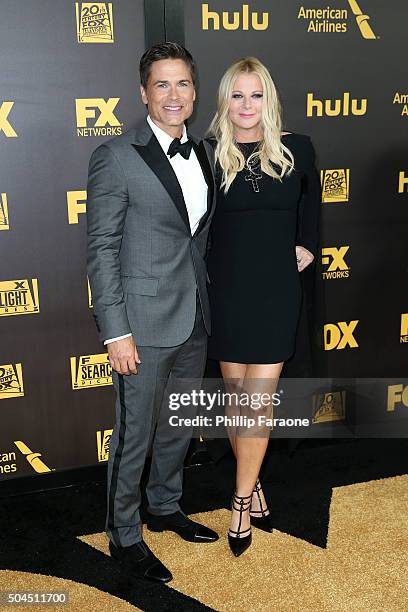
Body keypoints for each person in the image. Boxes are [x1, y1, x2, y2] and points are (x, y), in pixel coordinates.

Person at [86, 42, 218, 584]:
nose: (173, 95)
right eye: (161, 84)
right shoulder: (116, 155)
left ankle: (165, 505)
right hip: (141, 322)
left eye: (182, 84)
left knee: (178, 425)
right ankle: (123, 533)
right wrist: (115, 330)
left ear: (194, 91)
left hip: (194, 316)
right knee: (134, 432)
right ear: (143, 93)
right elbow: (101, 249)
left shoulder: (206, 151)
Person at [206, 57, 320, 556]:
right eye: (237, 95)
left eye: (255, 95)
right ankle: (254, 487)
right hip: (226, 289)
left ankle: (238, 500)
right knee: (236, 396)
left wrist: (309, 244)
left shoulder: (297, 148)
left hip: (276, 289)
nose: (247, 105)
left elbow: (310, 207)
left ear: (267, 98)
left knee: (258, 400)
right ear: (224, 101)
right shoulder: (208, 154)